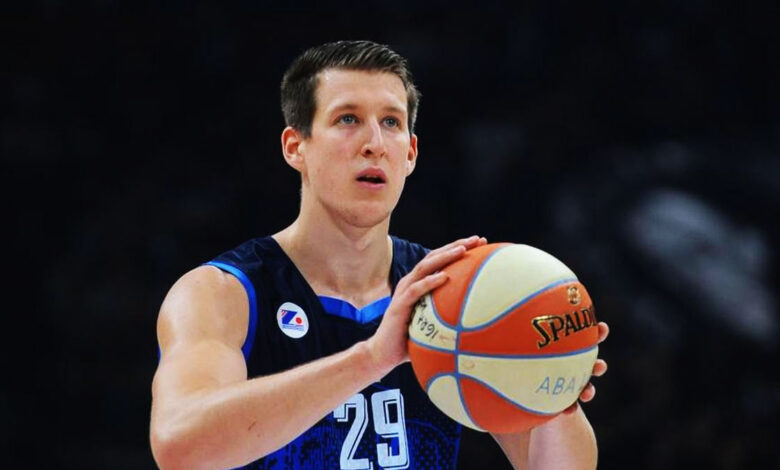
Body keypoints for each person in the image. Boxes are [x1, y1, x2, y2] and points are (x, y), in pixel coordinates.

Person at [149, 40, 610, 470]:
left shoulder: (451, 293)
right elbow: (178, 445)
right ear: (295, 147)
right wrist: (370, 359)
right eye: (347, 119)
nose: (374, 143)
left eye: (391, 122)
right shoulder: (222, 292)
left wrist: (553, 392)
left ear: (410, 154)